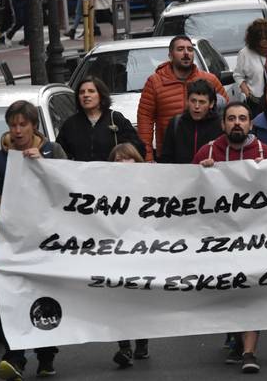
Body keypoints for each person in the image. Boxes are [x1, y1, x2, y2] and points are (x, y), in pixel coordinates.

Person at [0, 101, 67, 380]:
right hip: (13, 244)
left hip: (48, 242)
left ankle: (46, 355)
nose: (17, 131)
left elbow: (72, 188)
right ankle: (14, 357)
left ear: (34, 126)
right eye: (13, 125)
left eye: (23, 124)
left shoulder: (53, 152)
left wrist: (45, 165)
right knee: (13, 300)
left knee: (46, 298)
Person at [192, 102, 267, 373]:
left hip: (257, 239)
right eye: (231, 119)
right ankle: (234, 337)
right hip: (220, 240)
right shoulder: (207, 152)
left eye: (242, 118)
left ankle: (249, 352)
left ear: (251, 124)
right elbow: (187, 193)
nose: (237, 123)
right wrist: (202, 174)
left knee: (251, 291)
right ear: (223, 124)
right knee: (229, 292)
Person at [137, 35, 228, 161]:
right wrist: (147, 156)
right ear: (170, 55)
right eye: (180, 49)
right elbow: (145, 121)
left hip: (210, 157)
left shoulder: (209, 80)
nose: (186, 53)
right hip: (170, 157)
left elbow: (228, 114)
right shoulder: (155, 82)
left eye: (190, 50)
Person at [105, 143, 151, 368]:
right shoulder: (103, 189)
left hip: (142, 251)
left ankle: (141, 342)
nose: (123, 164)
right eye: (118, 160)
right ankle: (124, 347)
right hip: (115, 251)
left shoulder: (149, 187)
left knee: (139, 298)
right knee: (118, 300)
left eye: (127, 159)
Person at [58, 76, 145, 161]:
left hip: (113, 173)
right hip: (81, 174)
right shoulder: (70, 124)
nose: (86, 95)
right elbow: (59, 155)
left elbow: (137, 149)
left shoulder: (115, 119)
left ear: (101, 95)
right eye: (82, 92)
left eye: (91, 91)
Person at [159, 79, 223, 164]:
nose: (196, 106)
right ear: (187, 101)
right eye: (193, 101)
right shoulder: (176, 123)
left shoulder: (220, 125)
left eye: (202, 102)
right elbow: (166, 157)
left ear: (211, 104)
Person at [234, 19, 267, 116]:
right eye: (263, 38)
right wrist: (248, 93)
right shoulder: (245, 53)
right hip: (256, 101)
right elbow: (238, 75)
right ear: (255, 39)